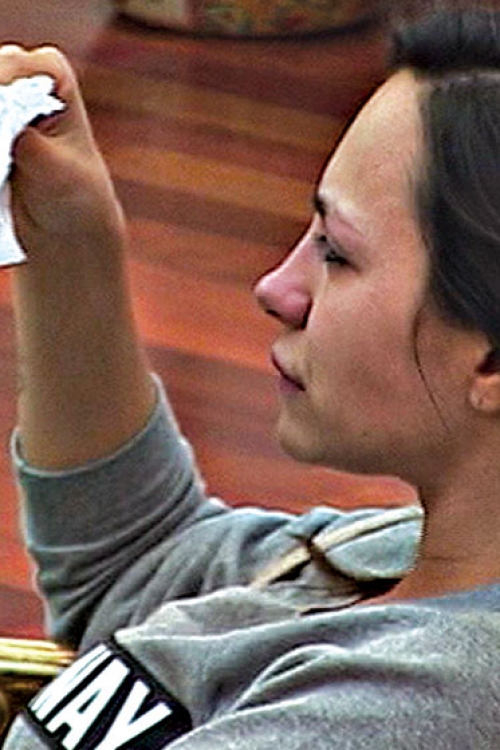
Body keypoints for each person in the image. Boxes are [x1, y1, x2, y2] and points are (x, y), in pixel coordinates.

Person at [2, 4, 500, 748]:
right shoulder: (404, 553)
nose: (276, 288)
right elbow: (136, 571)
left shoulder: (403, 711)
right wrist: (70, 237)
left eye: (336, 253)